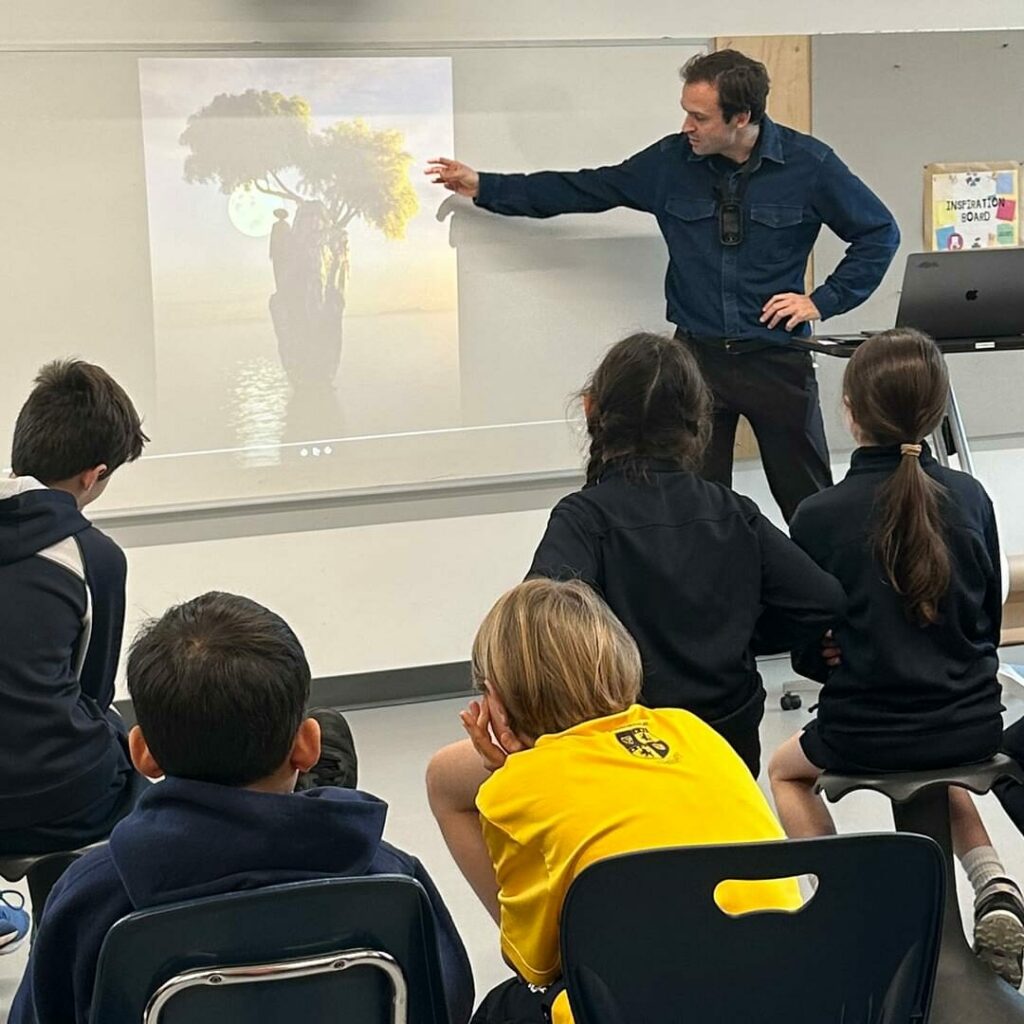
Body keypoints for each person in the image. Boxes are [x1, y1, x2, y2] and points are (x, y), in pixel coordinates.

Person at [427, 49, 899, 522]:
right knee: (693, 506)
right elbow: (586, 188)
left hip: (777, 361)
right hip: (697, 363)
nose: (686, 127)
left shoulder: (810, 165)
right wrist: (485, 186)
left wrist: (821, 301)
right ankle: (711, 596)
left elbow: (880, 233)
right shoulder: (670, 163)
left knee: (810, 502)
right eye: (685, 113)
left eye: (699, 116)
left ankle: (832, 594)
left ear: (742, 117)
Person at [10, 592, 474, 1024]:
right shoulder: (390, 879)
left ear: (142, 754)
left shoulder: (92, 895)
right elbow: (445, 1002)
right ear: (308, 745)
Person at [767, 329, 1024, 987]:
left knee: (787, 772)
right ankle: (994, 882)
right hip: (970, 722)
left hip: (864, 731)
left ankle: (844, 903)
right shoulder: (972, 499)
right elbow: (984, 625)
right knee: (939, 760)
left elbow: (807, 650)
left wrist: (832, 656)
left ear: (850, 411)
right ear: (937, 411)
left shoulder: (819, 515)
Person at [428, 578, 801, 1024]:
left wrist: (516, 773)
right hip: (783, 990)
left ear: (496, 702)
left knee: (504, 1008)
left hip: (637, 1008)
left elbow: (535, 966)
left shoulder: (516, 789)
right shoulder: (694, 731)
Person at [527, 331, 845, 776]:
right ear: (699, 420)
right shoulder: (733, 511)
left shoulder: (583, 518)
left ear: (590, 410)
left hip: (630, 749)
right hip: (729, 748)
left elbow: (541, 618)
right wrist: (742, 633)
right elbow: (822, 599)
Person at [0, 360, 149, 956]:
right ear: (95, 474)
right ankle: (64, 924)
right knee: (118, 749)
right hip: (57, 802)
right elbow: (92, 689)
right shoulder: (94, 557)